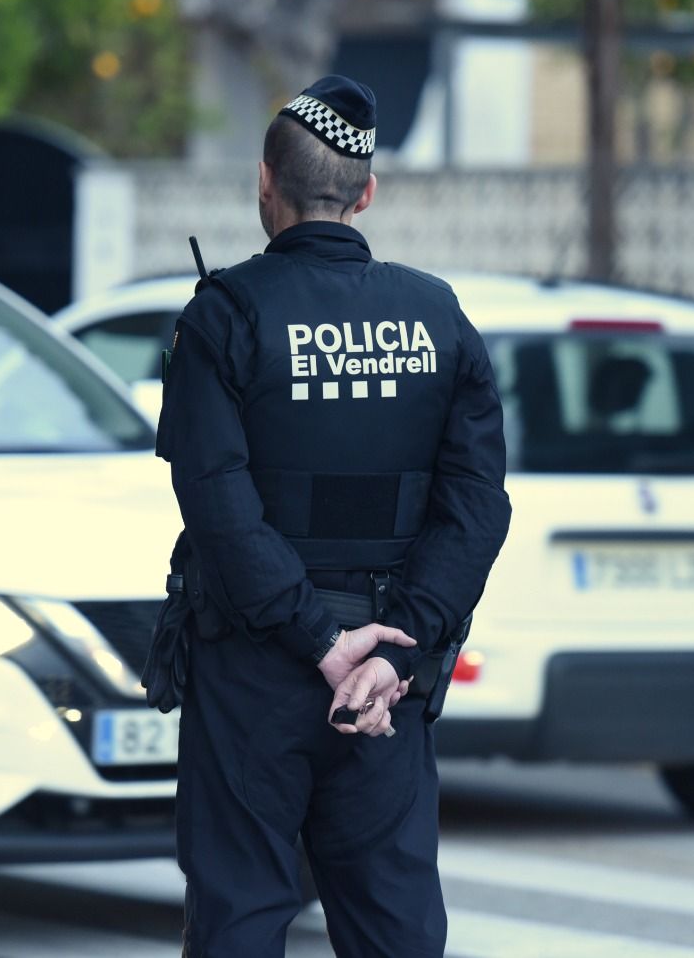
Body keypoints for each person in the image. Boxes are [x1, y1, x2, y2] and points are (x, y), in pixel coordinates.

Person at [153, 75, 512, 957]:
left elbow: (220, 507)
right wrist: (398, 649)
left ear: (265, 184)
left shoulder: (225, 316)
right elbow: (476, 505)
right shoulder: (438, 316)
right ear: (366, 193)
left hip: (255, 672)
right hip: (384, 684)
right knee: (393, 928)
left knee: (238, 916)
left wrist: (319, 640)